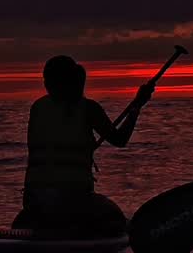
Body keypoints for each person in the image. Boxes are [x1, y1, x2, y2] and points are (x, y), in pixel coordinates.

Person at [12, 55, 154, 235]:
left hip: (34, 200)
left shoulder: (38, 107)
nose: (45, 83)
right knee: (117, 219)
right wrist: (137, 107)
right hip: (72, 201)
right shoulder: (88, 109)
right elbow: (120, 139)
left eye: (48, 79)